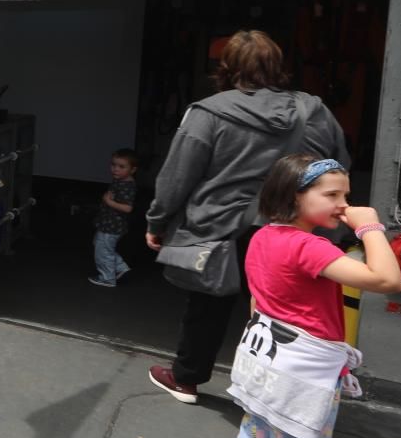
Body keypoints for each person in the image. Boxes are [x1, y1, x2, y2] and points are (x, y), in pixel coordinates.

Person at [219, 154, 400, 438]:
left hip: (266, 359)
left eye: (346, 195)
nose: (344, 204)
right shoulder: (310, 247)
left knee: (255, 435)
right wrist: (370, 227)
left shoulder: (263, 236)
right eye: (332, 194)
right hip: (304, 373)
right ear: (295, 196)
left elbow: (258, 299)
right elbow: (387, 280)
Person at [145, 29, 348, 404]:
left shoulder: (208, 113)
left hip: (224, 228)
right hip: (292, 231)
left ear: (226, 67)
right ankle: (284, 397)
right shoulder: (316, 112)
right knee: (285, 314)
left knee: (208, 306)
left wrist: (157, 222)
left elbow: (176, 176)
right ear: (278, 65)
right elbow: (337, 169)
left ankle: (186, 379)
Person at [89, 148, 138, 288]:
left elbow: (128, 208)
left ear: (133, 170)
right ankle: (121, 268)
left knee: (103, 250)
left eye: (121, 166)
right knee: (101, 246)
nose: (115, 169)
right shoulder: (120, 180)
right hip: (108, 223)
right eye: (113, 165)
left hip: (113, 226)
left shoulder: (127, 186)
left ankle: (107, 278)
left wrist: (109, 202)